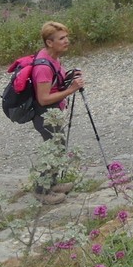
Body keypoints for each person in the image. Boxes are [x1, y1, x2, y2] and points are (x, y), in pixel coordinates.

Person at [30, 20, 85, 205]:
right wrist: (72, 90)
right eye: (61, 38)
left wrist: (70, 76)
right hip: (45, 114)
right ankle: (41, 190)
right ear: (49, 42)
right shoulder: (43, 67)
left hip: (53, 112)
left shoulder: (54, 58)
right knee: (54, 149)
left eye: (66, 37)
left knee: (58, 147)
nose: (66, 41)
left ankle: (51, 184)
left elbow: (56, 83)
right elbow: (43, 98)